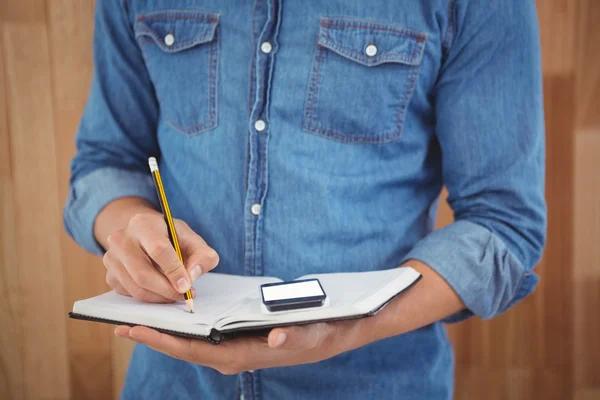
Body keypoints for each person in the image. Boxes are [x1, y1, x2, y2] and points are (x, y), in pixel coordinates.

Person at [64, 0, 546, 399]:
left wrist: (347, 328)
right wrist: (128, 227)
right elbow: (106, 161)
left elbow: (503, 223)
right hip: (169, 385)